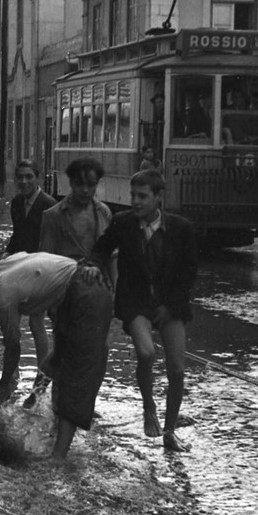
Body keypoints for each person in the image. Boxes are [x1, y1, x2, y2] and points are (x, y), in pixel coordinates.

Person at [0, 252, 114, 461]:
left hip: (85, 291)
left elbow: (13, 347)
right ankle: (47, 418)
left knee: (75, 375)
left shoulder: (2, 293)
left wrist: (5, 384)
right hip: (79, 289)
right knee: (53, 364)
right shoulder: (1, 269)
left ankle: (58, 458)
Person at [84, 169, 198, 453]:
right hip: (135, 302)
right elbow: (101, 248)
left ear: (159, 198)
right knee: (146, 353)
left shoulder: (182, 228)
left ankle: (170, 432)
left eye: (142, 196)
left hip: (171, 303)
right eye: (133, 195)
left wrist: (170, 306)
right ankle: (148, 405)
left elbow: (189, 275)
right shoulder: (123, 224)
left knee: (177, 369)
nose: (135, 201)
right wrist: (92, 265)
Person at [5, 160, 59, 402]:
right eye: (20, 177)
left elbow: (52, 244)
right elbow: (17, 236)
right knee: (11, 324)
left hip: (40, 270)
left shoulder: (49, 206)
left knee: (37, 323)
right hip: (19, 267)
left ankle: (42, 376)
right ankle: (11, 376)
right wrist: (3, 259)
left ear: (38, 177)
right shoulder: (16, 203)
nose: (24, 182)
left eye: (29, 177)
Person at [39, 157, 113, 265]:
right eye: (79, 184)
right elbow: (45, 259)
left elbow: (110, 253)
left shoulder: (103, 212)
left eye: (91, 185)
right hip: (66, 278)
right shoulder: (54, 215)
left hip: (98, 278)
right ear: (71, 183)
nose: (85, 190)